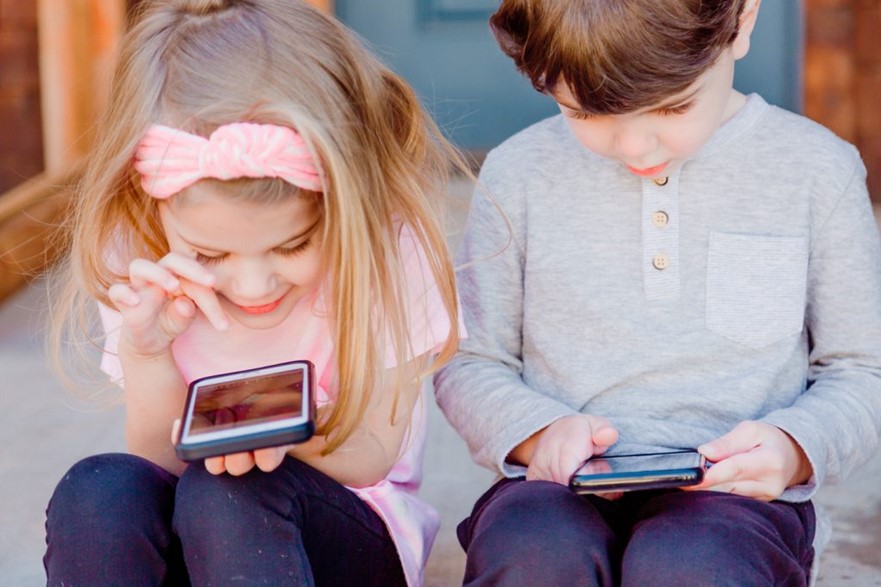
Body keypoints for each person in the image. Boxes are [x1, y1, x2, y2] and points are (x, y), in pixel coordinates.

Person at [433, 0, 881, 585]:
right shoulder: (518, 174)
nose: (635, 148)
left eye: (672, 106)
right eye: (587, 114)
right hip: (554, 491)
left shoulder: (818, 172)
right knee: (533, 554)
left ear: (742, 22)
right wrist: (536, 432)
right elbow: (470, 360)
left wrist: (794, 448)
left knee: (689, 565)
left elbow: (860, 369)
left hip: (735, 502)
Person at [43, 1, 466, 585]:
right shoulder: (138, 252)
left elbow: (372, 454)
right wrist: (146, 353)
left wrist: (283, 435)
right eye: (210, 256)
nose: (251, 285)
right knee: (97, 490)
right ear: (152, 206)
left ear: (345, 202)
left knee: (232, 492)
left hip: (345, 536)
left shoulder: (386, 248)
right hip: (202, 544)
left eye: (292, 246)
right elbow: (158, 462)